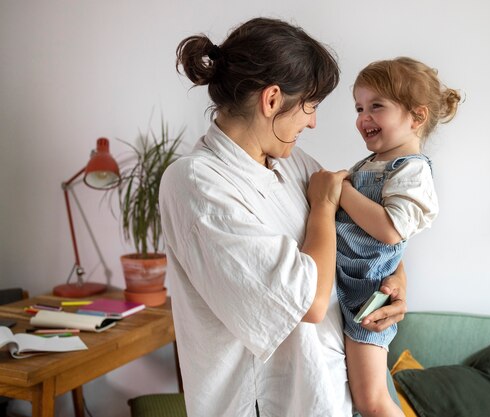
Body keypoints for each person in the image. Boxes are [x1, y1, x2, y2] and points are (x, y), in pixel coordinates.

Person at [159, 17, 407, 417]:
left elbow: (368, 231)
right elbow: (307, 302)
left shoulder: (291, 164)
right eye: (310, 106)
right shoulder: (196, 183)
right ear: (272, 100)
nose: (312, 122)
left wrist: (396, 281)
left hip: (329, 396)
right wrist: (324, 208)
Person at [336, 57, 461, 417]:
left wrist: (339, 191)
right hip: (346, 279)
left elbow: (391, 229)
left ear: (416, 117)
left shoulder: (413, 171)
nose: (363, 116)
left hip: (367, 296)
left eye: (377, 106)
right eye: (359, 107)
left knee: (371, 401)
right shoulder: (367, 165)